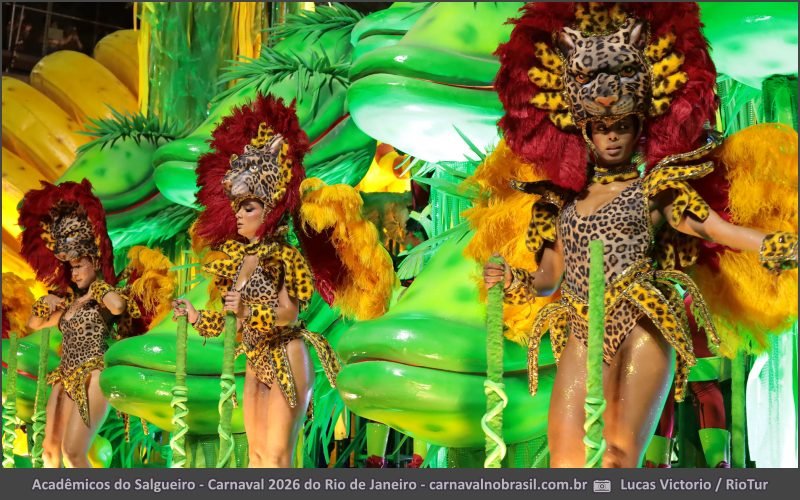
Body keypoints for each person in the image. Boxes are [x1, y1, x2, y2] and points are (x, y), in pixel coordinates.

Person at [478, 3, 797, 468]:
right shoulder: (554, 201)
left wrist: (771, 244)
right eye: (602, 128)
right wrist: (511, 279)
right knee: (568, 460)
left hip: (646, 323)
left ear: (639, 126)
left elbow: (710, 225)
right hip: (579, 327)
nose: (611, 138)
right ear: (583, 131)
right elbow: (547, 279)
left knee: (617, 457)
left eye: (621, 127)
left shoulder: (658, 186)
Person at [171, 95, 343, 468]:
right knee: (257, 457)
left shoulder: (285, 256)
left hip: (285, 353)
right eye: (237, 208)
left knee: (278, 457)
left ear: (269, 209)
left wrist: (247, 307)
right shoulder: (237, 259)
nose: (239, 217)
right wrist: (197, 317)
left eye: (247, 208)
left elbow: (288, 315)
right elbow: (234, 318)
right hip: (253, 358)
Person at [19, 180, 173, 468]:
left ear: (93, 260)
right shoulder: (69, 304)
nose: (73, 272)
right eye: (70, 267)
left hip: (93, 375)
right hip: (63, 378)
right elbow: (35, 324)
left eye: (78, 265)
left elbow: (119, 307)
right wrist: (45, 303)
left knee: (73, 452)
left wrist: (99, 287)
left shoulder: (104, 296)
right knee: (49, 454)